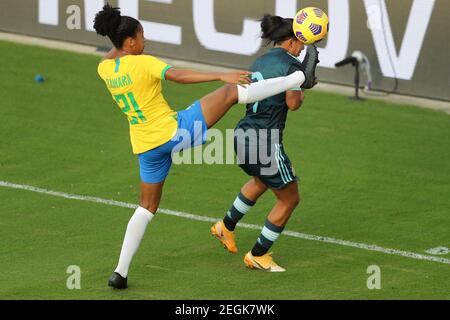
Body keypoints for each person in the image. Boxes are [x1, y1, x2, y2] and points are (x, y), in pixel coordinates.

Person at [94, 4, 319, 289]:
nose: (145, 40)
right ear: (130, 42)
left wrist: (115, 37)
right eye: (141, 36)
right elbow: (179, 76)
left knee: (146, 208)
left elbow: (115, 52)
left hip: (145, 146)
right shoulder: (143, 62)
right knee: (229, 92)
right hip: (175, 132)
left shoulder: (105, 69)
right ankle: (297, 79)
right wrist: (219, 75)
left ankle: (120, 273)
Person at [211, 14, 316, 272]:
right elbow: (293, 104)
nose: (302, 48)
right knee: (289, 198)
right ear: (290, 42)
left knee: (261, 180)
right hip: (265, 141)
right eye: (300, 43)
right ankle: (259, 254)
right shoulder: (292, 66)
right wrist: (304, 86)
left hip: (243, 134)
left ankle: (225, 226)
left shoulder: (261, 60)